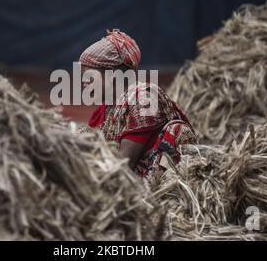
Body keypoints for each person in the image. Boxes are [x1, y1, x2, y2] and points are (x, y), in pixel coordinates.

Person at [79, 29, 198, 180]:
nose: (83, 83)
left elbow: (123, 169)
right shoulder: (103, 112)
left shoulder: (142, 100)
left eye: (89, 77)